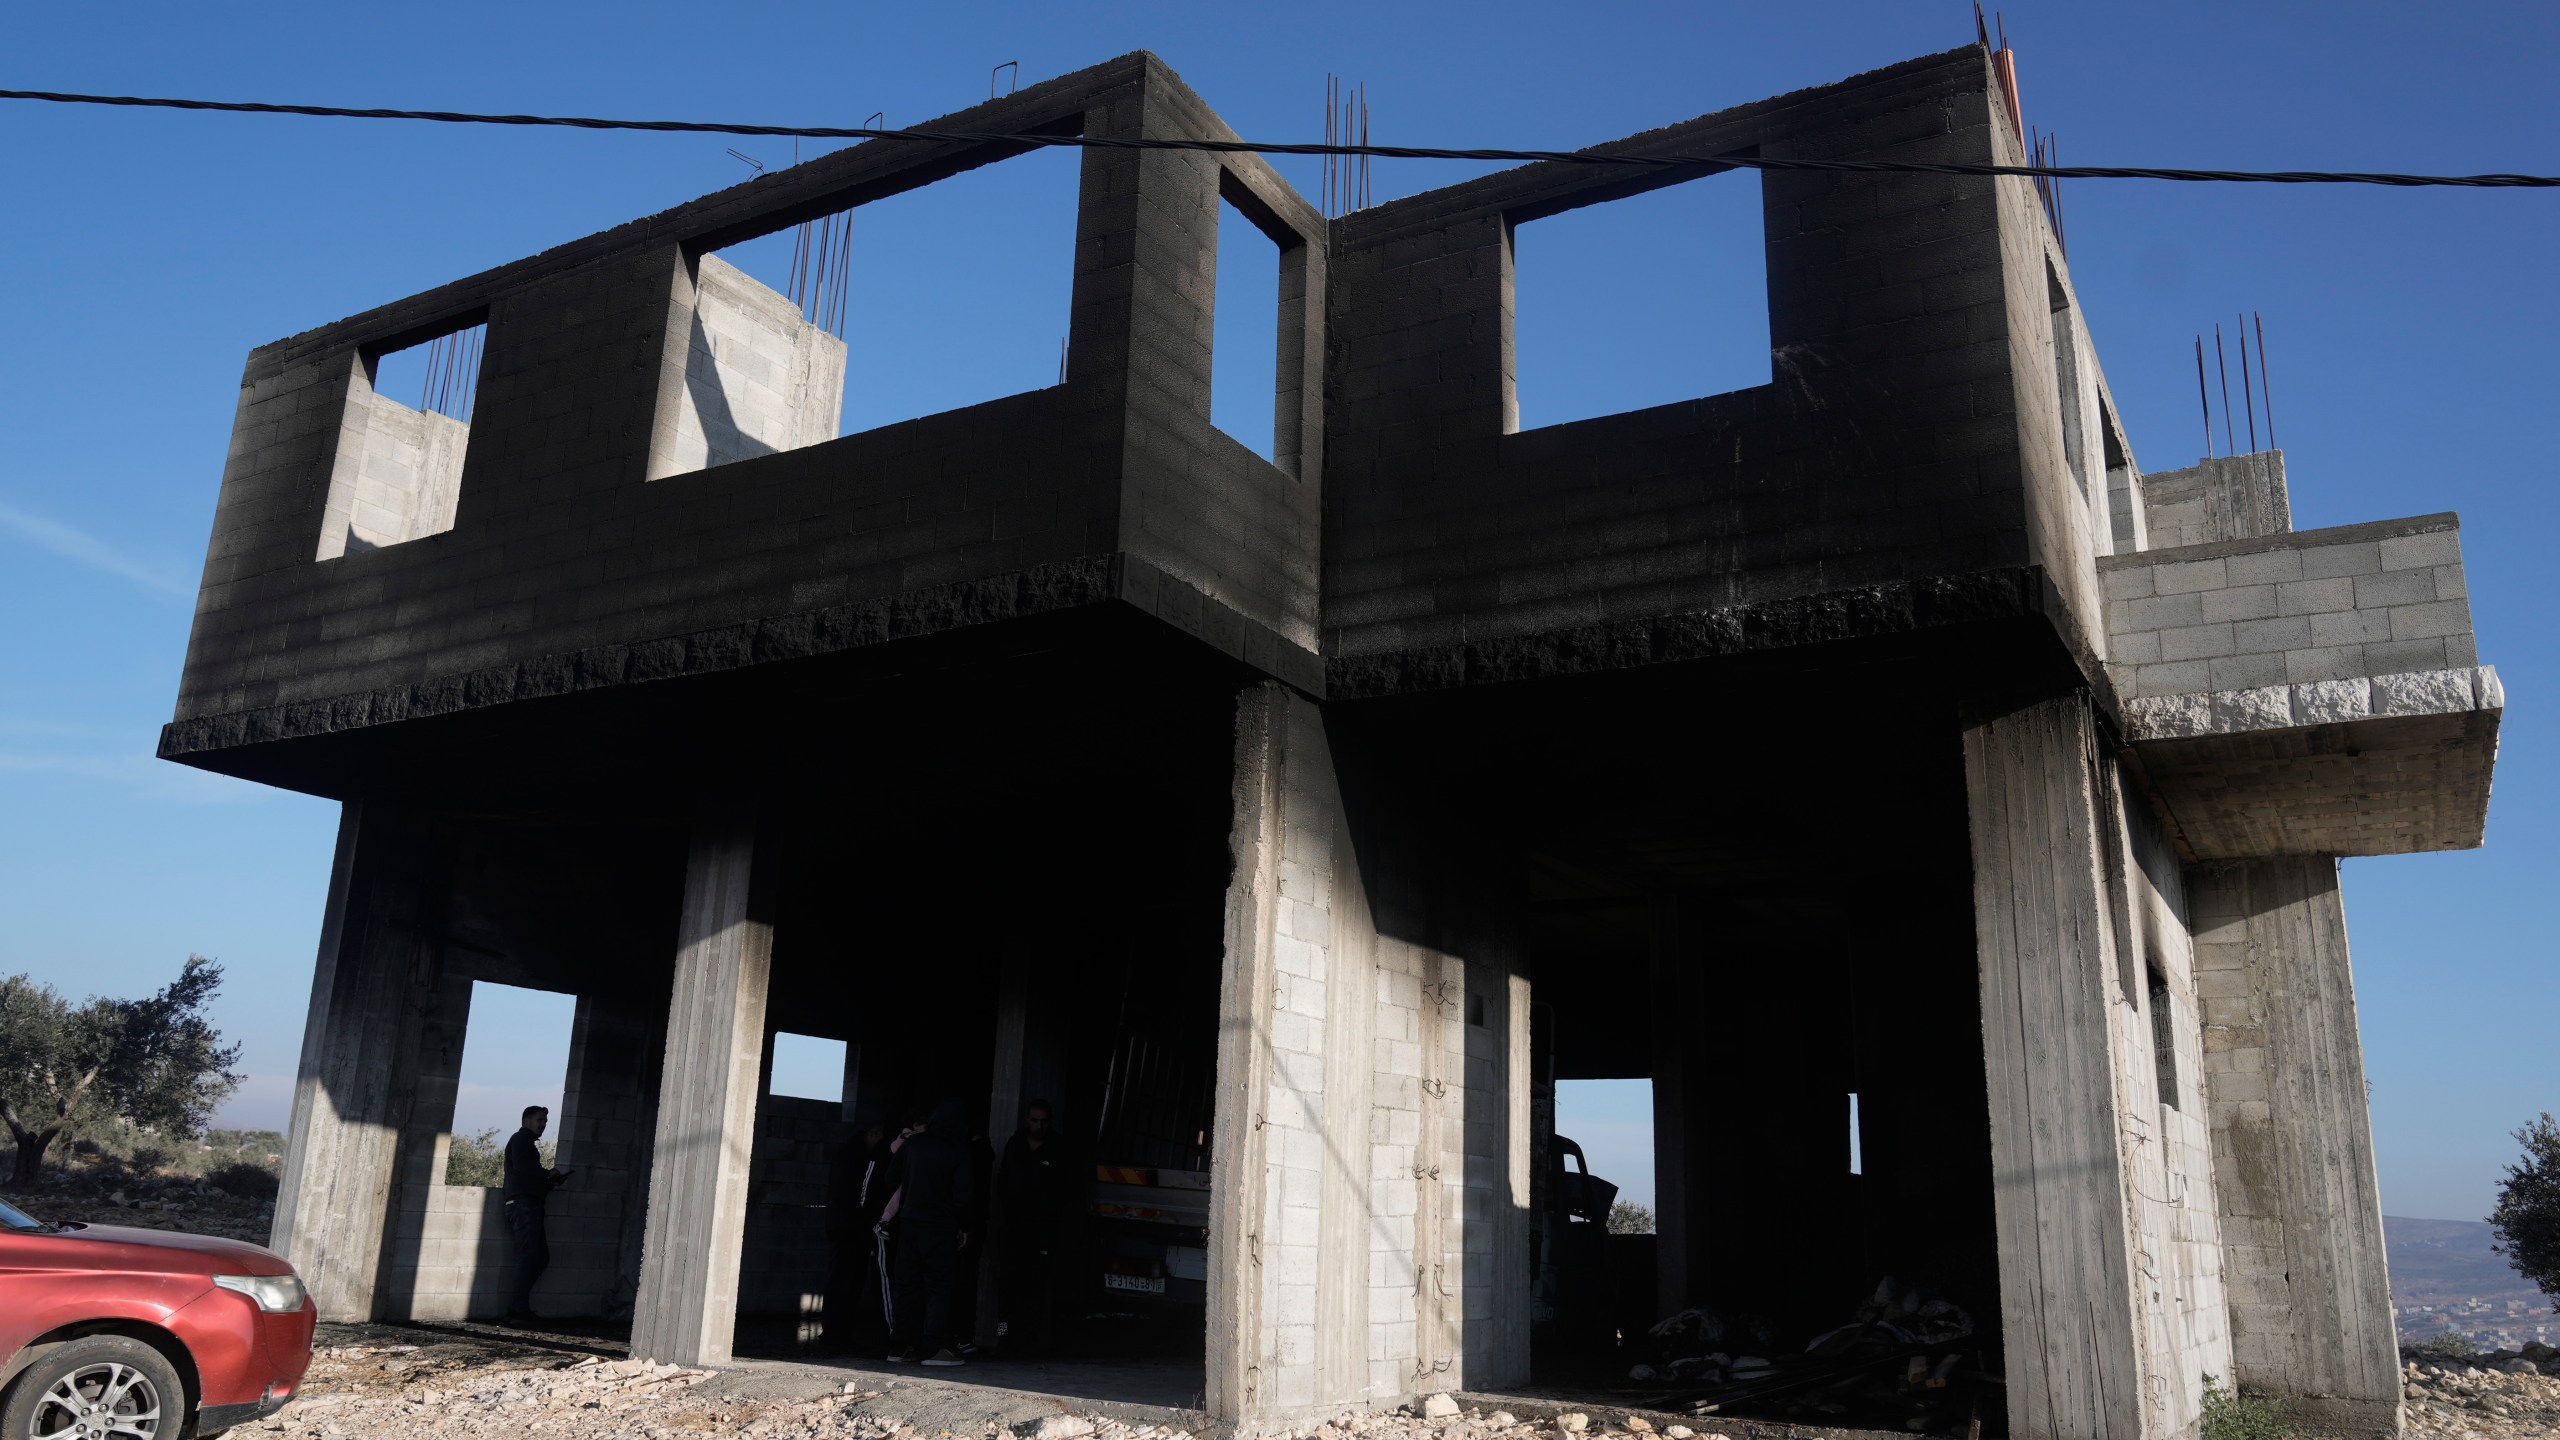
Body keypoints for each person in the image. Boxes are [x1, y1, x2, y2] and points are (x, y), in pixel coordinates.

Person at [884, 1098, 977, 1367]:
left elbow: (891, 1178)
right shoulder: (957, 1151)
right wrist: (965, 1227)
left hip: (909, 1223)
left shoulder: (912, 1145)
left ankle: (899, 1346)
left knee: (907, 1285)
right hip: (939, 1226)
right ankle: (933, 1348)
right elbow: (963, 1197)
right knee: (938, 1286)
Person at [994, 1100, 1075, 1357]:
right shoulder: (1016, 1144)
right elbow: (1003, 1182)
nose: (1038, 1126)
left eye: (1043, 1121)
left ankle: (1030, 1343)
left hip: (1043, 1231)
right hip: (1014, 1229)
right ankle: (1005, 1339)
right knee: (1009, 1286)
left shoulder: (1058, 1148)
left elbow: (1068, 1192)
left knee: (1036, 1288)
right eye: (1034, 1120)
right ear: (1027, 1120)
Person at [501, 1105, 572, 1323]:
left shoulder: (525, 1143)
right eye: (539, 1120)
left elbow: (527, 1175)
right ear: (526, 1121)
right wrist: (547, 1174)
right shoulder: (522, 1140)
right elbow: (525, 1170)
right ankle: (516, 1309)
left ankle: (518, 1306)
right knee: (531, 1256)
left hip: (528, 1205)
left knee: (539, 1257)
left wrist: (549, 1182)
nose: (542, 1125)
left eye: (545, 1122)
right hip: (524, 1206)